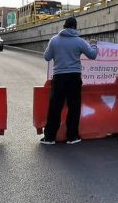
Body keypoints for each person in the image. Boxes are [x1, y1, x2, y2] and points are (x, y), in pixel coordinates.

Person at [40, 17, 98, 145]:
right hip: (74, 77)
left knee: (55, 107)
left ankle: (49, 137)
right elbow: (93, 55)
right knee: (74, 106)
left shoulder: (54, 40)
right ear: (75, 27)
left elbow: (46, 57)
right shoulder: (80, 41)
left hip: (59, 77)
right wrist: (94, 44)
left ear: (64, 26)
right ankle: (72, 136)